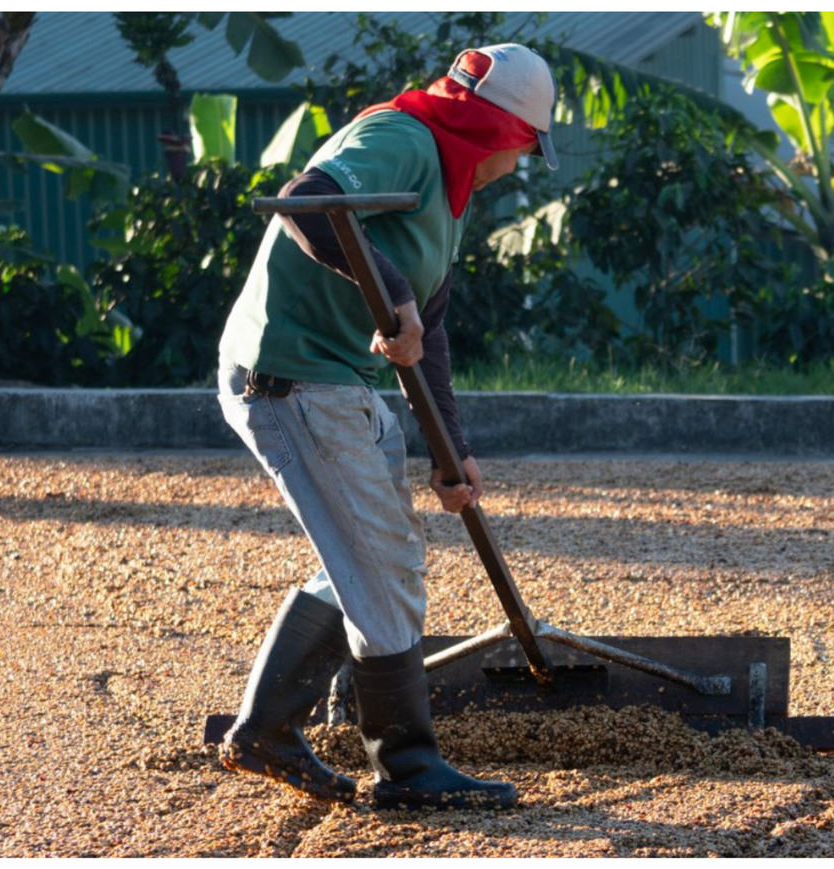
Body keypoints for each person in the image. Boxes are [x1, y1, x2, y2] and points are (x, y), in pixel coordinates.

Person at [215, 43, 558, 811]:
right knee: (386, 562)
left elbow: (426, 328)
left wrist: (449, 450)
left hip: (339, 379)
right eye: (527, 149)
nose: (520, 166)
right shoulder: (404, 138)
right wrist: (394, 290)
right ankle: (407, 766)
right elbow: (307, 201)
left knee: (367, 554)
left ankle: (267, 728)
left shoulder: (448, 188)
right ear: (503, 131)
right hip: (293, 373)